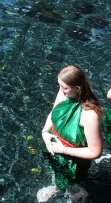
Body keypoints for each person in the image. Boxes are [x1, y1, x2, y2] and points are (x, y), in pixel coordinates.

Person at [40, 64, 103, 193]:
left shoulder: (89, 114)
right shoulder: (65, 94)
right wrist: (45, 132)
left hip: (74, 160)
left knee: (76, 188)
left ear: (78, 88)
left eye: (64, 87)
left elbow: (95, 152)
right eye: (60, 86)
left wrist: (63, 149)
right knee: (56, 171)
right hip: (56, 148)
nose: (60, 89)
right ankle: (56, 187)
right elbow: (55, 111)